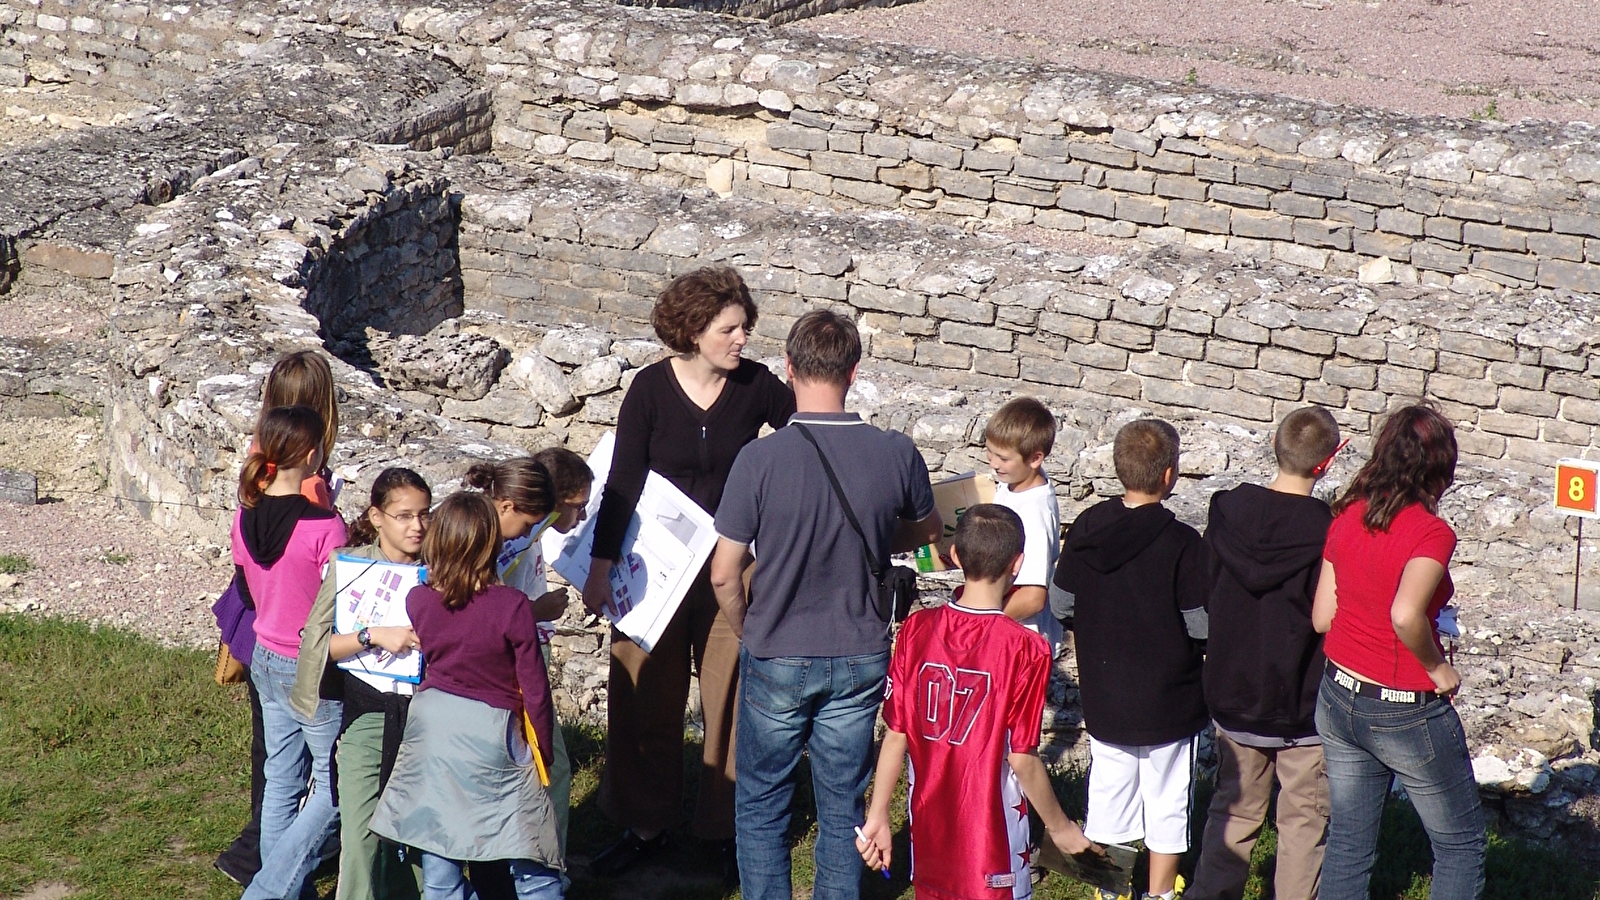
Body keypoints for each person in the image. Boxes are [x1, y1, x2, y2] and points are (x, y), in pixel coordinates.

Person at [709, 310, 941, 900]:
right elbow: (925, 531)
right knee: (844, 804)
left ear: (788, 370)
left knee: (762, 802)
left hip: (777, 645)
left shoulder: (758, 460)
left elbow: (724, 574)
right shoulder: (895, 453)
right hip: (860, 649)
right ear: (854, 372)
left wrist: (747, 628)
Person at [583, 266, 795, 880]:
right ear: (695, 330)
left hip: (732, 569)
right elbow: (621, 482)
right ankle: (645, 824)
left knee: (733, 699)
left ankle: (721, 830)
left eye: (745, 328)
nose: (742, 339)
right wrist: (600, 569)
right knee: (644, 691)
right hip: (652, 572)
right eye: (730, 329)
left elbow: (802, 439)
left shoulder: (757, 386)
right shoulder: (649, 389)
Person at [857, 504, 1098, 900]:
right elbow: (1021, 757)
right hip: (991, 836)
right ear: (1017, 564)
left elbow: (896, 734)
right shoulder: (1026, 648)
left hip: (929, 825)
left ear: (954, 556)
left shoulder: (916, 629)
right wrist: (1059, 827)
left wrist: (878, 813)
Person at [1312, 404, 1484, 900]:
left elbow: (1323, 616)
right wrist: (1438, 668)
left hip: (1337, 690)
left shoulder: (1347, 513)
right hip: (1402, 706)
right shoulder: (1431, 533)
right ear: (1439, 465)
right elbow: (1406, 614)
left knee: (1348, 841)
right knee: (1459, 846)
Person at [369, 491, 563, 900]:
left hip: (432, 730)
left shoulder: (418, 599)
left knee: (442, 864)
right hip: (492, 731)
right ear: (492, 544)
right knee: (528, 857)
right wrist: (542, 753)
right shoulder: (512, 607)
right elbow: (535, 689)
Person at [1050, 418, 1208, 900]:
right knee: (1167, 801)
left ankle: (1109, 889)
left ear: (1119, 469)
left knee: (1109, 794)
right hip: (1169, 701)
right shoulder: (1183, 544)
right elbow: (1200, 625)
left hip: (1106, 693)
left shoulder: (1088, 530)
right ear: (1169, 475)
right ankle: (1160, 893)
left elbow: (1060, 605)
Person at [1188, 407, 1341, 900]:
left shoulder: (1227, 511)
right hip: (1301, 699)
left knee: (1232, 809)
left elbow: (1209, 591)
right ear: (1329, 462)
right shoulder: (1329, 532)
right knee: (1303, 822)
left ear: (1275, 443)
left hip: (1232, 687)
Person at [217, 350, 343, 887]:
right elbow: (337, 598)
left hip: (265, 649)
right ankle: (272, 888)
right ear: (312, 453)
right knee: (335, 786)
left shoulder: (246, 516)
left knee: (279, 780)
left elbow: (245, 580)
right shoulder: (323, 525)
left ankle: (268, 876)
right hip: (308, 661)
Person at [290, 467, 431, 900]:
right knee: (362, 835)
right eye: (404, 515)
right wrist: (373, 635)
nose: (418, 526)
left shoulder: (440, 567)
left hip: (427, 719)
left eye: (425, 514)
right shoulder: (351, 567)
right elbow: (315, 644)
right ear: (376, 517)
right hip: (367, 716)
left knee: (421, 840)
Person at [468, 457, 583, 855]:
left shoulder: (507, 528)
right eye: (576, 504)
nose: (533, 532)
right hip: (508, 661)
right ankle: (542, 864)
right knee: (545, 767)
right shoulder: (498, 541)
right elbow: (482, 611)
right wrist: (538, 611)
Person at [985, 396, 1065, 657]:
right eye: (990, 452)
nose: (994, 464)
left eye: (1004, 458)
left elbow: (1032, 597)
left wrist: (980, 620)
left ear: (1035, 458)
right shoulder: (1014, 483)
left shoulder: (1034, 513)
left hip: (1019, 642)